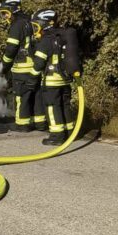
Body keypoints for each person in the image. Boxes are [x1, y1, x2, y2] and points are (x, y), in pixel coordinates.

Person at [30, 9, 78, 146]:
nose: (36, 29)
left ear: (45, 24)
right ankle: (69, 132)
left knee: (52, 107)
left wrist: (31, 79)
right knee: (65, 105)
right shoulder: (61, 36)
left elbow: (39, 63)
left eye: (37, 25)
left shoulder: (46, 40)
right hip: (65, 80)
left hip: (51, 81)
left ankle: (56, 136)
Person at [0, 0, 39, 132]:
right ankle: (39, 123)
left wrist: (3, 66)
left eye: (5, 13)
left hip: (22, 67)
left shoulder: (16, 26)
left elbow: (11, 49)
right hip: (33, 65)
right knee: (33, 95)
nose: (4, 17)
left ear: (13, 11)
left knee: (21, 96)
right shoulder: (29, 21)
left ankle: (22, 124)